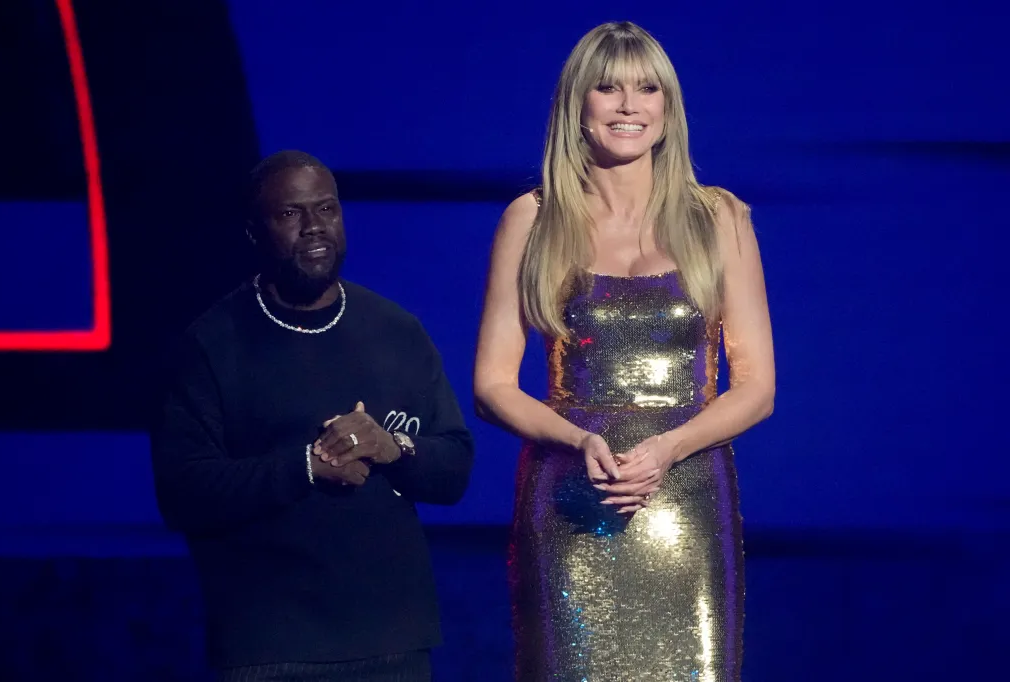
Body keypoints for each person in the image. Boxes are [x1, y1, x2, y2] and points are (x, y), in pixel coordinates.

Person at [474, 22, 775, 681]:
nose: (629, 106)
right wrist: (576, 439)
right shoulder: (532, 217)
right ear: (578, 105)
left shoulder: (718, 217)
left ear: (668, 109)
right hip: (571, 502)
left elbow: (756, 385)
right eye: (608, 88)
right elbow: (492, 383)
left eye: (647, 89)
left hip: (687, 502)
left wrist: (670, 446)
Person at [150, 150, 474, 682]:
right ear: (254, 232)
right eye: (290, 214)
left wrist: (391, 448)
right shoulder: (210, 346)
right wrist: (307, 466)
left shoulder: (395, 331)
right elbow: (182, 492)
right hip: (271, 646)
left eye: (326, 209)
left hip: (394, 642)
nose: (313, 228)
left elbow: (455, 466)